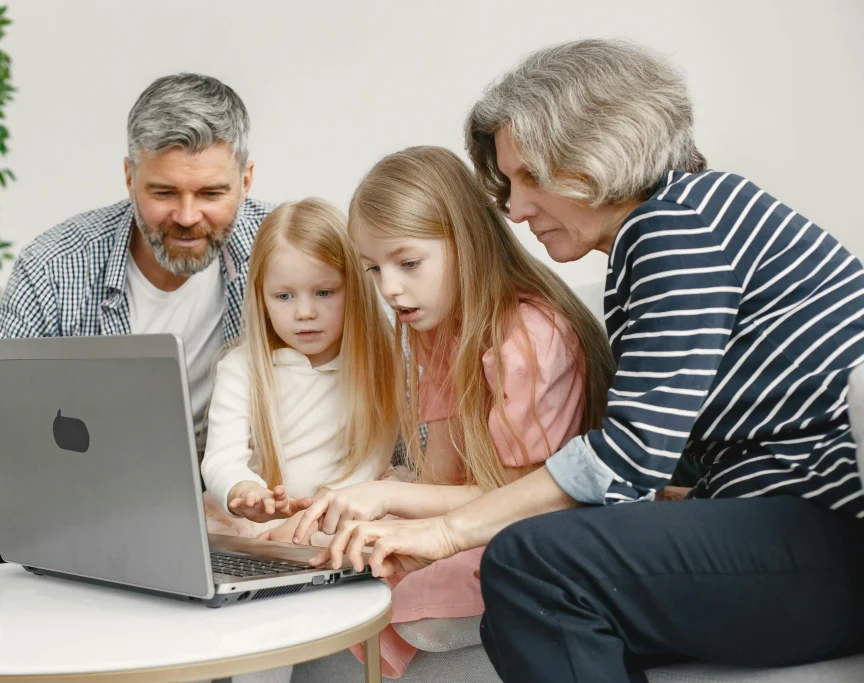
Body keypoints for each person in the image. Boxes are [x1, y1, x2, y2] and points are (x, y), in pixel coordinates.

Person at [310, 39, 864, 683]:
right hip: (800, 535)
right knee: (517, 614)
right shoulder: (690, 218)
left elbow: (632, 454)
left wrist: (447, 532)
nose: (515, 209)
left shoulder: (676, 227)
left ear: (598, 152)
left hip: (829, 541)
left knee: (530, 567)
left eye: (530, 178)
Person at [0, 73, 271, 576]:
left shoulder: (287, 249)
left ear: (246, 180)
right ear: (129, 177)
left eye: (211, 193)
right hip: (79, 493)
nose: (186, 216)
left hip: (229, 491)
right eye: (163, 192)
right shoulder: (58, 262)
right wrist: (46, 469)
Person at [292, 145, 615, 677]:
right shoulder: (438, 333)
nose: (389, 288)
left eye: (408, 263)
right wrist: (359, 511)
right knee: (322, 560)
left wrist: (386, 496)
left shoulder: (529, 339)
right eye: (374, 269)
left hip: (533, 535)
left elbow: (519, 501)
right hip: (476, 523)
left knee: (389, 592)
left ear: (466, 242)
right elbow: (440, 479)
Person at [199, 198, 401, 683]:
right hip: (253, 527)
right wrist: (245, 492)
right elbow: (220, 459)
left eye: (324, 292)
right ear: (261, 299)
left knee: (288, 599)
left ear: (355, 288)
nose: (305, 313)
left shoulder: (380, 366)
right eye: (284, 296)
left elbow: (370, 464)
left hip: (337, 516)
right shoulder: (242, 367)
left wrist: (317, 516)